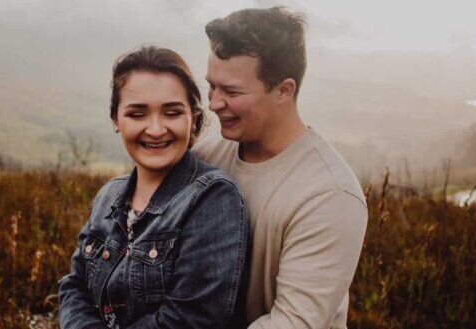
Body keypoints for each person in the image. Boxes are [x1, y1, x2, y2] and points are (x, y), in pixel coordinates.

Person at [193, 7, 368, 329]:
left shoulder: (330, 196)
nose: (214, 103)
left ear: (284, 91)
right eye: (212, 86)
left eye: (231, 91)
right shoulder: (206, 153)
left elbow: (293, 322)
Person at [58, 46, 248, 329]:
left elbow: (191, 320)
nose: (156, 129)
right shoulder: (108, 195)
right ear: (116, 120)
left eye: (172, 113)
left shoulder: (213, 198)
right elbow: (74, 287)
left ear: (193, 119)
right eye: (137, 114)